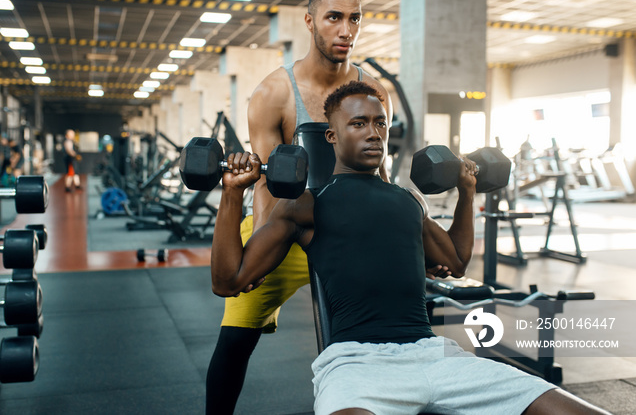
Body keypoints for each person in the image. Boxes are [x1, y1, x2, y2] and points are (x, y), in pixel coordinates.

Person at [210, 81, 609, 415]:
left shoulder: (408, 201)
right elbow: (228, 281)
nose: (373, 133)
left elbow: (453, 261)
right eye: (359, 123)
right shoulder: (306, 204)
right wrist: (232, 194)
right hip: (356, 363)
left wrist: (467, 193)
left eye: (380, 123)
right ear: (331, 136)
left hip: (436, 354)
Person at [205, 0, 431, 414]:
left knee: (383, 332)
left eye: (354, 19)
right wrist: (267, 244)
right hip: (288, 227)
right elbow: (278, 185)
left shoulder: (372, 90)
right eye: (333, 18)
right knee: (236, 336)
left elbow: (377, 171)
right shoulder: (274, 93)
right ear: (310, 22)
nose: (346, 30)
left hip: (353, 230)